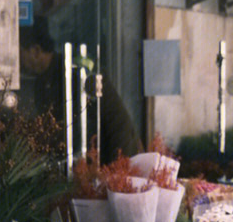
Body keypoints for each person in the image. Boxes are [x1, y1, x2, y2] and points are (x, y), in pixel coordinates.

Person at [19, 15, 142, 162]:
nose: (17, 61)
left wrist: (119, 171)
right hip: (80, 167)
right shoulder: (41, 83)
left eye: (19, 53)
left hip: (105, 164)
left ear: (35, 51)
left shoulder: (79, 70)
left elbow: (118, 121)